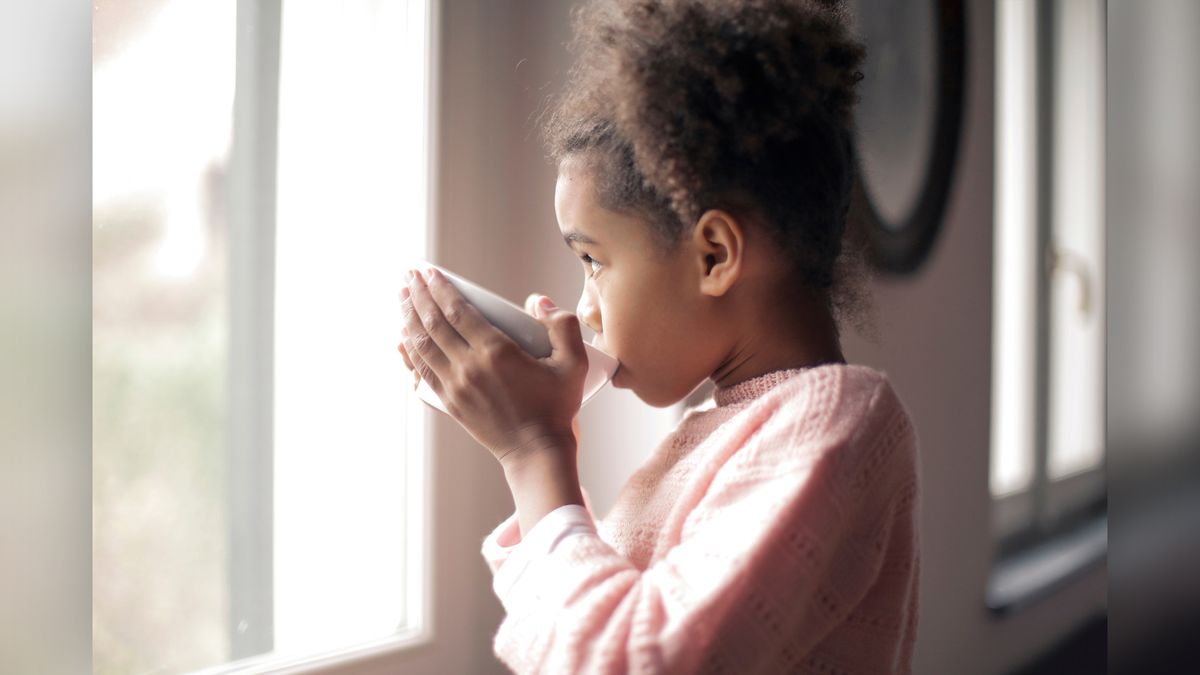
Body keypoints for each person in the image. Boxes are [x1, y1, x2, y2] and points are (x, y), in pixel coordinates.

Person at [397, 0, 919, 672]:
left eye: (594, 261)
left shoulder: (838, 422)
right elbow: (595, 627)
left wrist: (536, 451)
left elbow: (633, 659)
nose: (585, 309)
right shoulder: (711, 432)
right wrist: (537, 447)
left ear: (713, 256)